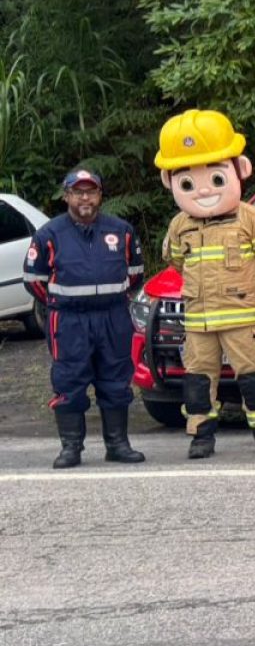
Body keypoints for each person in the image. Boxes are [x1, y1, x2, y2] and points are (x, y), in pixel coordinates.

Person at [155, 109, 255, 458]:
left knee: (254, 374)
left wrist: (250, 285)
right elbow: (178, 261)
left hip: (242, 317)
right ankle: (201, 436)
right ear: (171, 182)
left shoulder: (254, 219)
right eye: (186, 183)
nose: (201, 191)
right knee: (197, 380)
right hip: (199, 320)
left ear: (240, 169)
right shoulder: (179, 225)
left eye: (214, 178)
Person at [24, 168, 146, 469]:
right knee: (69, 380)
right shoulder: (49, 234)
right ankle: (71, 449)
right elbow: (34, 280)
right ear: (67, 196)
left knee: (116, 380)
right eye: (78, 192)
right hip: (69, 321)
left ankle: (118, 445)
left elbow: (135, 274)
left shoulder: (121, 231)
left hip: (112, 318)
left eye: (91, 191)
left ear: (100, 195)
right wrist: (64, 302)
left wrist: (105, 298)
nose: (85, 198)